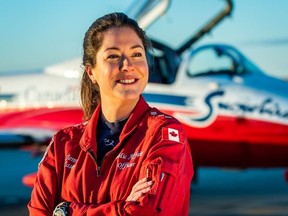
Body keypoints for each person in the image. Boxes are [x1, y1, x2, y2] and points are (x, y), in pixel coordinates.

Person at [28, 12, 193, 216]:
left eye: (137, 54)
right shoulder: (64, 144)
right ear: (91, 72)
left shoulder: (163, 134)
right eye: (113, 56)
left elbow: (148, 212)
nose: (128, 65)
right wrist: (122, 207)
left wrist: (67, 210)